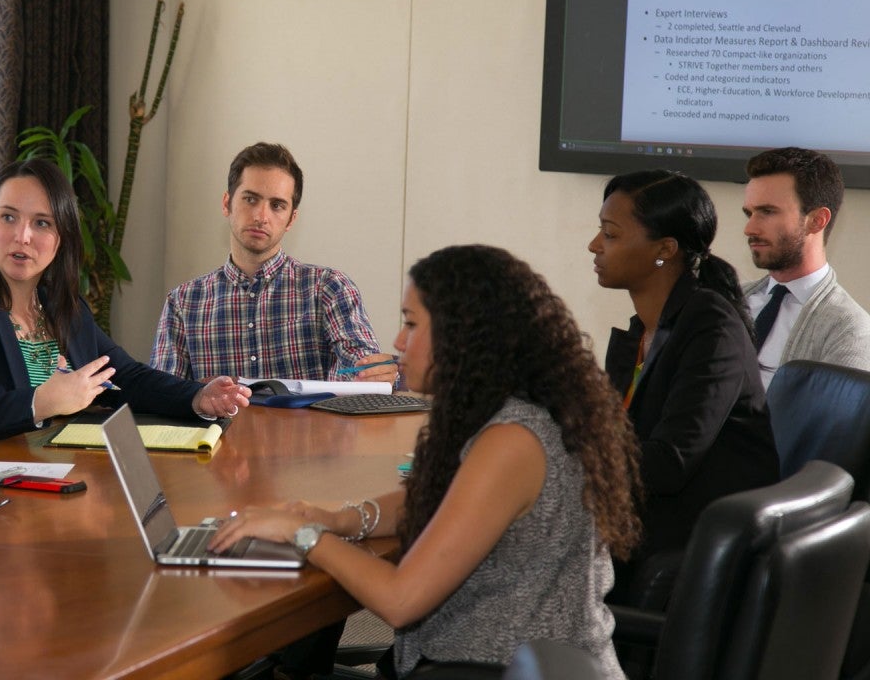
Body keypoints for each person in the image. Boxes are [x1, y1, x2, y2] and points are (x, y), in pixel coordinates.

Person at [210, 245, 642, 679]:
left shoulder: (515, 440)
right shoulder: (498, 413)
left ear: (462, 336)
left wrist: (304, 535)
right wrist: (334, 519)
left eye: (412, 324)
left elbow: (400, 601)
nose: (398, 341)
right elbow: (447, 500)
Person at [0, 159, 250, 456]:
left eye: (42, 223)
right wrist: (40, 403)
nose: (23, 236)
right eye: (8, 217)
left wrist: (198, 397)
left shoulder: (64, 307)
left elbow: (125, 377)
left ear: (61, 237)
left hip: (30, 477)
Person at [589, 169, 779, 599]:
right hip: (641, 523)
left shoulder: (711, 327)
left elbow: (667, 463)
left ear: (664, 250)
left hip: (687, 543)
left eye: (610, 234)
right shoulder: (646, 329)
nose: (595, 246)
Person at [150, 142, 396, 384]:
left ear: (291, 219)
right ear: (227, 203)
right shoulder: (183, 302)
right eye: (250, 199)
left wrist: (376, 373)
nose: (261, 216)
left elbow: (364, 369)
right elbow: (163, 397)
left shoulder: (329, 288)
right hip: (224, 427)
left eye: (277, 205)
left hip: (311, 426)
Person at [742, 147, 870, 390]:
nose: (750, 228)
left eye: (767, 212)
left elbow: (831, 425)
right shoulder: (728, 301)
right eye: (749, 213)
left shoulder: (849, 331)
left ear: (817, 220)